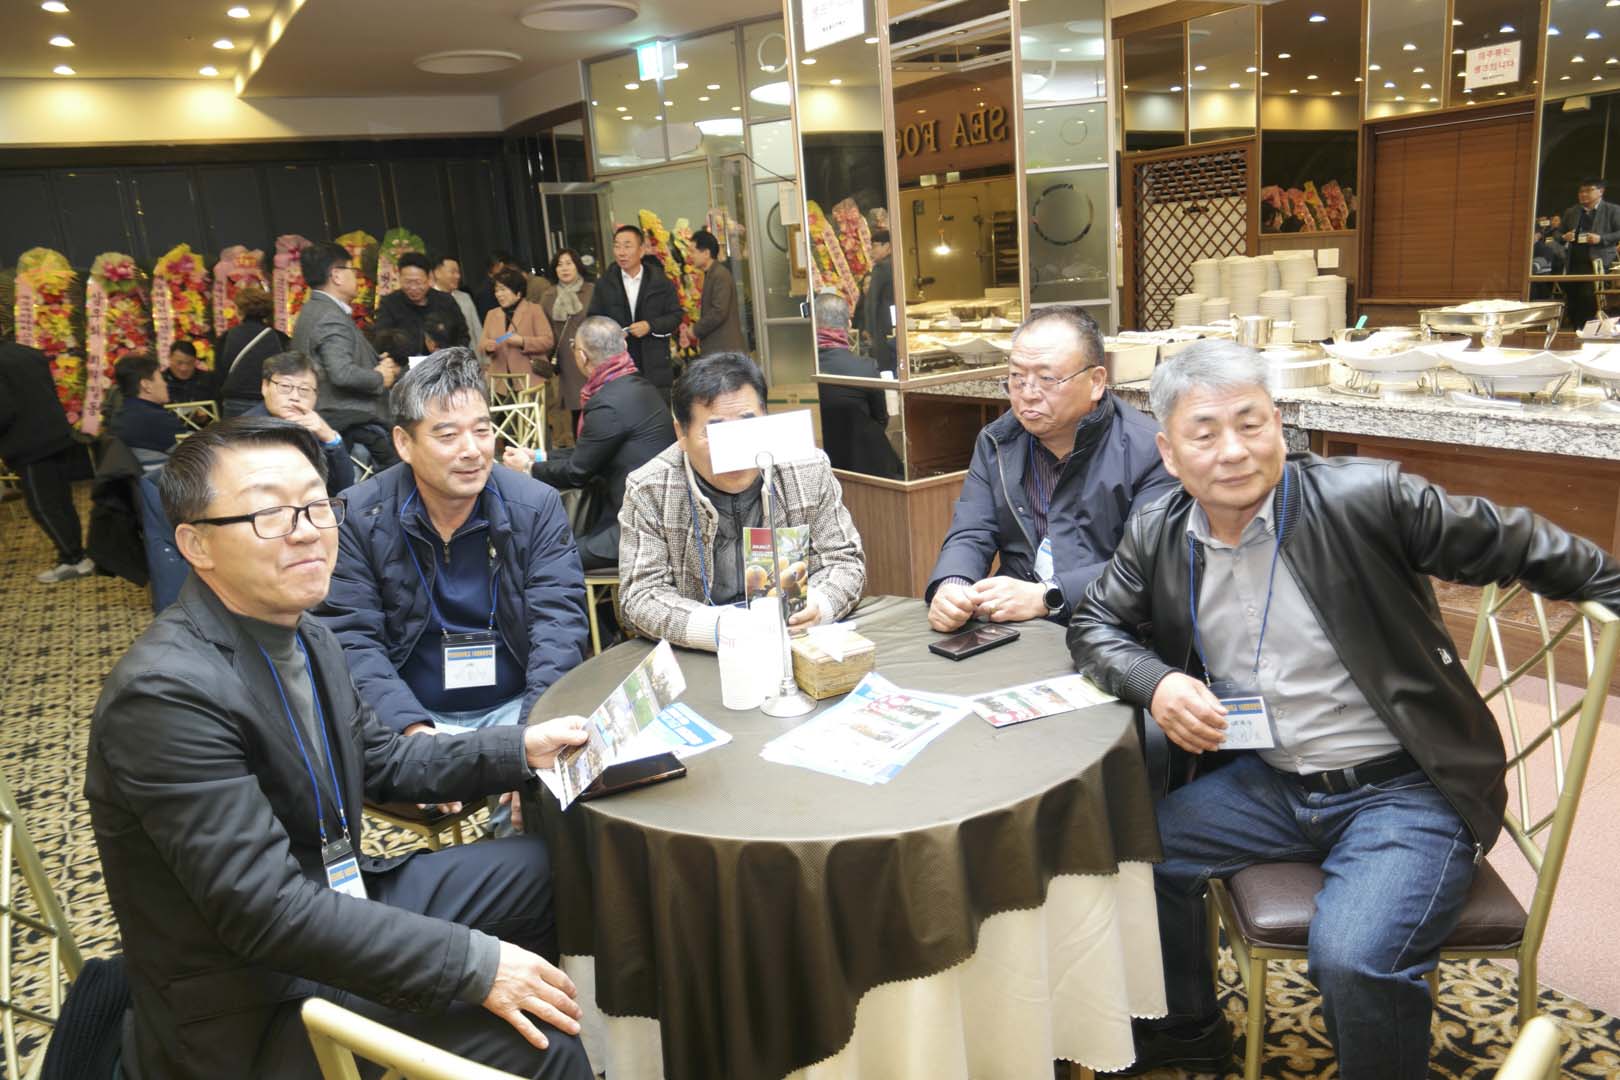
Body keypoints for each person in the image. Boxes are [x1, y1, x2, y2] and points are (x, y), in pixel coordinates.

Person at [1067, 340, 1620, 1080]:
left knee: (1354, 959)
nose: (1233, 451)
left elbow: (1522, 543)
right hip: (1273, 780)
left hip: (1407, 785)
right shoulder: (1160, 531)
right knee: (1133, 849)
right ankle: (1189, 1028)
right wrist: (1156, 682)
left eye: (1251, 423)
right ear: (1169, 452)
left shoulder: (1364, 499)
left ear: (1279, 425)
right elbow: (1094, 626)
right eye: (1205, 433)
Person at [85, 416, 593, 1080]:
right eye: (269, 514)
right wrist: (477, 965)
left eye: (315, 505)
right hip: (256, 996)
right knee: (544, 1048)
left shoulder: (306, 634)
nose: (306, 530)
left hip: (336, 900)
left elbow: (383, 760)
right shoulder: (164, 697)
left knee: (549, 869)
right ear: (196, 544)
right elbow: (266, 912)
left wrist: (520, 749)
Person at [317, 347, 588, 750]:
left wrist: (532, 733)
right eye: (447, 435)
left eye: (482, 430)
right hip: (410, 716)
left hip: (517, 708)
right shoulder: (359, 515)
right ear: (404, 443)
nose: (472, 450)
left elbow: (559, 624)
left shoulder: (535, 506)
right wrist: (413, 731)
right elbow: (352, 637)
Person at [927, 306, 1176, 633]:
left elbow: (1146, 566)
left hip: (1111, 626)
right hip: (1016, 623)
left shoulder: (1150, 451)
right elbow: (972, 531)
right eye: (1017, 377)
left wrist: (1047, 595)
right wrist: (953, 584)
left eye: (1047, 379)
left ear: (1096, 382)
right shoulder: (997, 441)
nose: (1028, 394)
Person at [618, 352, 866, 650]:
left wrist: (819, 604)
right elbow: (641, 594)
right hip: (704, 650)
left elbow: (843, 560)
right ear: (681, 433)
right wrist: (719, 629)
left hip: (794, 640)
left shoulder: (807, 468)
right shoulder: (650, 488)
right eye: (714, 430)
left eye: (748, 424)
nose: (734, 447)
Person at [503, 316, 674, 571]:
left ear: (582, 356)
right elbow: (593, 450)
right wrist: (539, 456)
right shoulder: (638, 385)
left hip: (637, 527)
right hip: (658, 513)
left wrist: (528, 468)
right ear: (624, 346)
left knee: (543, 557)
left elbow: (577, 472)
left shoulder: (607, 403)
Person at [292, 240, 402, 470]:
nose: (357, 277)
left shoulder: (312, 309)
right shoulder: (330, 316)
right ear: (337, 276)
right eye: (353, 270)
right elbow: (341, 373)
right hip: (351, 424)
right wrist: (380, 377)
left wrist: (377, 363)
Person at [0, 336, 94, 583]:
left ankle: (73, 558)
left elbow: (4, 411)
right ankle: (78, 555)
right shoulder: (30, 353)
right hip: (57, 435)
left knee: (43, 505)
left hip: (28, 444)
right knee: (61, 500)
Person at [813, 292, 901, 480]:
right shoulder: (865, 368)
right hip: (865, 470)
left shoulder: (803, 371)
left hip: (816, 471)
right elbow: (881, 418)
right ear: (848, 324)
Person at [587, 225, 681, 395]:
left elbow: (675, 316)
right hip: (618, 364)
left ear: (642, 250)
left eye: (627, 246)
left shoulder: (660, 282)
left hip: (655, 363)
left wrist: (650, 326)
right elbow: (593, 320)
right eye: (617, 246)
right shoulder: (604, 284)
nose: (621, 253)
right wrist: (612, 332)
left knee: (656, 407)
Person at [247, 350, 357, 494]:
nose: (295, 397)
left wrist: (330, 438)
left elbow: (344, 486)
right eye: (285, 387)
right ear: (265, 387)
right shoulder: (245, 431)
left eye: (304, 390)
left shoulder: (314, 427)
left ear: (316, 395)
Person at [533, 248, 595, 432]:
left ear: (577, 266)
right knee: (575, 409)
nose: (564, 268)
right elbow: (543, 329)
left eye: (569, 263)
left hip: (591, 357)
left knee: (595, 405)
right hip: (565, 360)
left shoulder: (591, 291)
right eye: (560, 265)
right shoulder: (548, 296)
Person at [376, 251, 465, 358]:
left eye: (418, 282)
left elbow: (462, 335)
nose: (413, 288)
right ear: (399, 277)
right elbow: (382, 338)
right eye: (408, 282)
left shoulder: (446, 301)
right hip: (406, 364)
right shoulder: (389, 303)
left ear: (429, 278)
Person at [219, 284, 289, 417]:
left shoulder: (228, 336)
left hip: (235, 401)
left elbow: (220, 373)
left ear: (240, 310)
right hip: (268, 402)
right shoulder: (279, 337)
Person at [1558, 178, 1620, 329]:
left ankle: (1589, 330)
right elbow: (1557, 234)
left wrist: (1601, 238)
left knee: (1589, 298)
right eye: (1581, 191)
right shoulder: (1572, 212)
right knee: (1573, 298)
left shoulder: (1613, 210)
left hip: (1598, 263)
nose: (1583, 194)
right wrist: (1564, 237)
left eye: (1588, 190)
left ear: (1601, 191)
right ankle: (1575, 330)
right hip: (1573, 262)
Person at [481, 267, 554, 394]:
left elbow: (548, 341)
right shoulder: (491, 314)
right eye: (496, 290)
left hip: (530, 380)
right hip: (500, 383)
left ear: (518, 292)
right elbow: (482, 343)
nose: (498, 294)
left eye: (503, 289)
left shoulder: (534, 310)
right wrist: (488, 347)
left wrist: (523, 342)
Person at [683, 229, 746, 356]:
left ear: (706, 253)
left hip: (723, 349)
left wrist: (695, 329)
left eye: (693, 251)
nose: (690, 256)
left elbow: (719, 312)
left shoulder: (719, 275)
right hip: (719, 349)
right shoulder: (712, 274)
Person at [111, 351, 185, 455]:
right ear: (146, 385)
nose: (165, 384)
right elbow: (196, 450)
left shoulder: (119, 415)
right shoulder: (158, 419)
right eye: (161, 379)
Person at [854, 227, 895, 374]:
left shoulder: (881, 267)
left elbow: (872, 301)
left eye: (875, 246)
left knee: (885, 370)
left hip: (882, 330)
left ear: (887, 246)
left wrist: (870, 331)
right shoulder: (899, 264)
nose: (872, 252)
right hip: (897, 328)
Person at [433, 253, 484, 346]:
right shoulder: (428, 299)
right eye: (453, 272)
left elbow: (477, 329)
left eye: (458, 272)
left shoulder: (465, 297)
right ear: (437, 273)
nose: (458, 276)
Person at [163, 342, 221, 406]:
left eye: (189, 363)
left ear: (195, 361)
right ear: (169, 358)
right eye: (179, 363)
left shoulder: (208, 380)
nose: (184, 368)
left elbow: (217, 407)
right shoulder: (160, 381)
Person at [474, 250, 517, 324]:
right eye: (501, 271)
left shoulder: (513, 284)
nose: (505, 275)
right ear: (490, 274)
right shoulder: (485, 294)